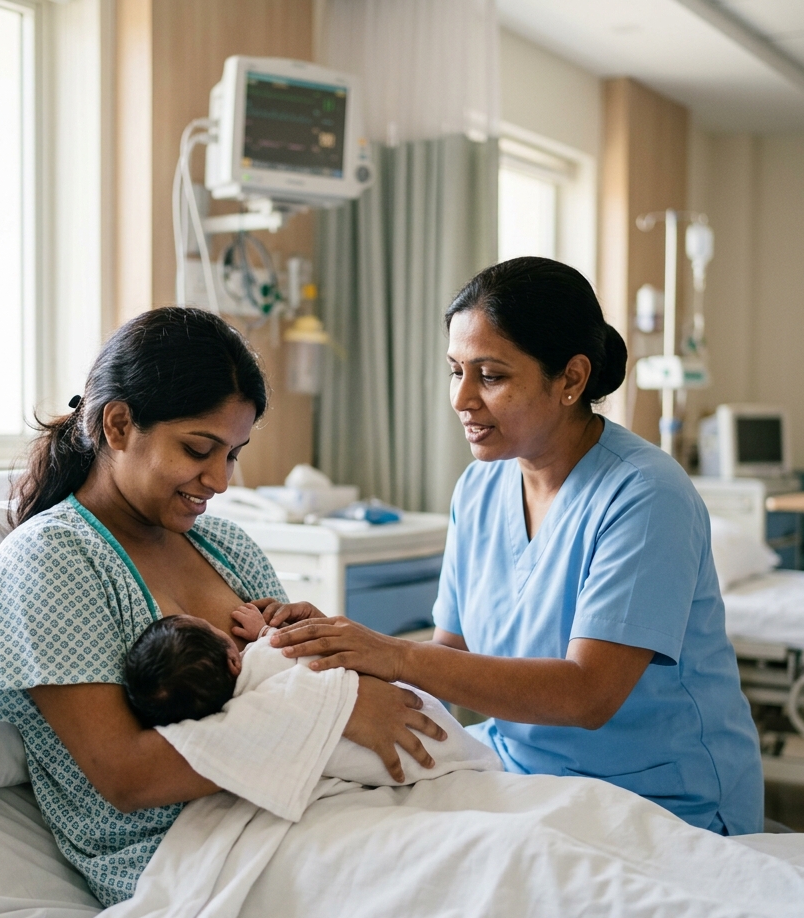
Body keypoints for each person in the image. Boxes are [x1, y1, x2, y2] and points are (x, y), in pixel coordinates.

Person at [270, 256, 764, 836]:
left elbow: (588, 695)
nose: (461, 399)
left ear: (571, 380)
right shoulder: (479, 488)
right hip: (522, 776)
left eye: (492, 376)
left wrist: (392, 654)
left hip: (660, 798)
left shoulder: (646, 496)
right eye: (456, 371)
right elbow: (448, 656)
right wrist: (332, 677)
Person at [0, 307, 444, 907]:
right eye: (199, 449)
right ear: (117, 425)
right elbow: (128, 776)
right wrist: (329, 717)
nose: (219, 481)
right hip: (190, 858)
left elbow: (292, 677)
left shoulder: (224, 547)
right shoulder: (50, 562)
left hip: (306, 807)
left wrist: (330, 656)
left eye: (233, 454)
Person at [122, 602, 500, 786]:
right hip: (403, 734)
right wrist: (262, 630)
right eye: (223, 638)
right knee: (434, 742)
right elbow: (282, 653)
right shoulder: (261, 668)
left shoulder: (227, 708)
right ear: (233, 662)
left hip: (388, 729)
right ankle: (468, 762)